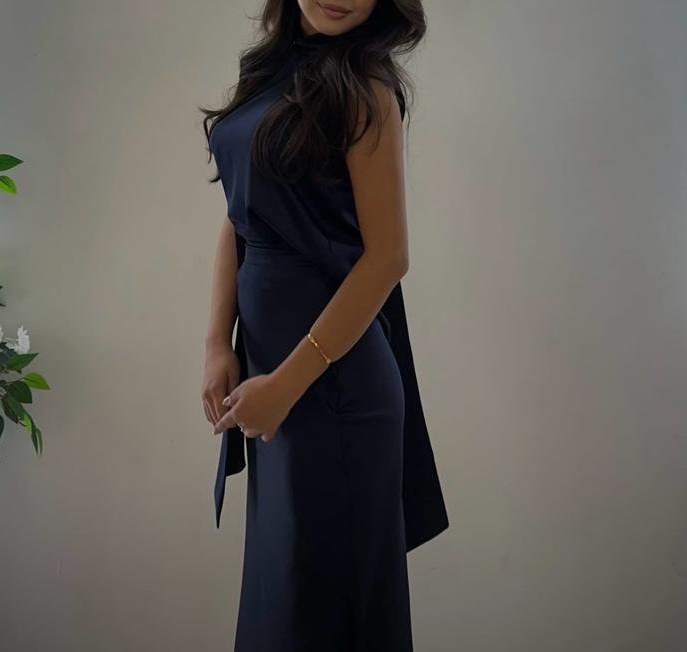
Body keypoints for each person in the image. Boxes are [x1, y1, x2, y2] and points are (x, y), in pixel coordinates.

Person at [200, 1, 448, 649]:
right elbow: (238, 215)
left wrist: (285, 386)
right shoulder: (265, 74)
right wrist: (217, 344)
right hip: (271, 382)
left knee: (320, 612)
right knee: (286, 601)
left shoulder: (365, 91)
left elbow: (388, 257)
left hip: (335, 389)